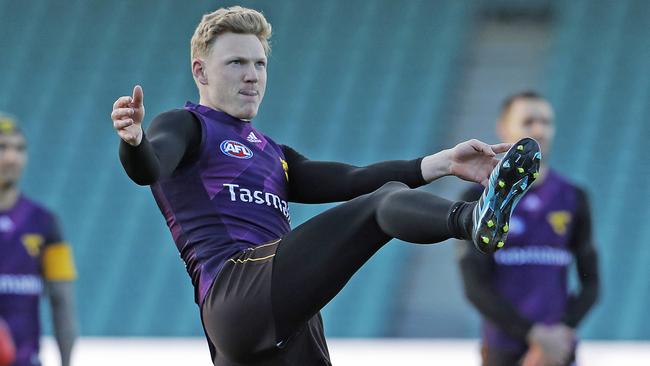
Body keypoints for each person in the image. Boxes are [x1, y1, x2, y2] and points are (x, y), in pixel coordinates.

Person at [110, 7, 540, 365]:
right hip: (236, 290)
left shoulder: (272, 152)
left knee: (381, 192)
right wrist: (134, 142)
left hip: (281, 319)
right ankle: (470, 218)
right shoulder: (185, 126)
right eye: (237, 63)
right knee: (383, 203)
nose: (253, 75)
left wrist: (443, 162)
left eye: (259, 63)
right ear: (200, 70)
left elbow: (353, 180)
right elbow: (149, 167)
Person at [457, 91, 600, 366]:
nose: (539, 130)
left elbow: (591, 281)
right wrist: (533, 335)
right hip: (503, 349)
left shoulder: (573, 196)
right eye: (529, 122)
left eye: (546, 122)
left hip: (557, 351)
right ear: (503, 128)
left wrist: (561, 333)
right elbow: (474, 284)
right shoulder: (477, 198)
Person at [0, 113, 78, 366]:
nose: (12, 157)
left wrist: (66, 363)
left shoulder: (45, 223)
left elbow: (62, 300)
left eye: (19, 149)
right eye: (2, 147)